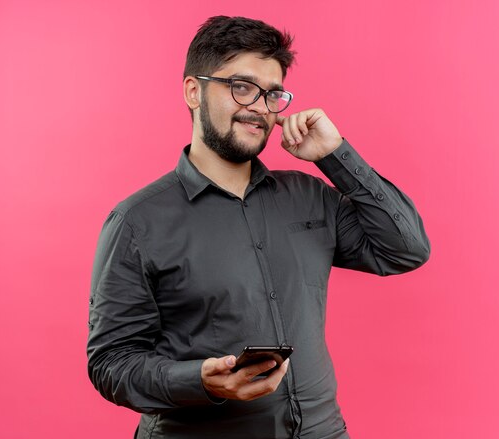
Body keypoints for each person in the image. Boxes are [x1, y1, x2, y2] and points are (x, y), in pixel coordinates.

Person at [87, 15, 430, 439]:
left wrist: (335, 155)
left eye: (271, 94)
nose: (259, 107)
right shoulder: (136, 222)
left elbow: (406, 249)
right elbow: (110, 363)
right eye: (241, 87)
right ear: (194, 91)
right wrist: (198, 380)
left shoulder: (309, 196)